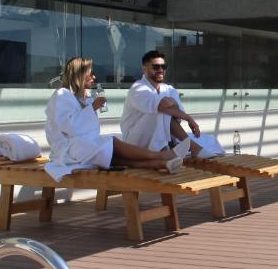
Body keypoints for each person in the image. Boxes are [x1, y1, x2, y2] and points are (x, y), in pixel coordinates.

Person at [44, 56, 185, 182]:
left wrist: (90, 106)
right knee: (112, 142)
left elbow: (87, 128)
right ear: (80, 75)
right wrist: (92, 108)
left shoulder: (83, 98)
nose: (94, 77)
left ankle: (163, 164)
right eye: (91, 74)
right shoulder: (62, 95)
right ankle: (162, 156)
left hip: (80, 147)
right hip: (66, 149)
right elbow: (69, 126)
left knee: (119, 159)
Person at [120, 50, 215, 158]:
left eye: (163, 66)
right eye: (156, 67)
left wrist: (172, 105)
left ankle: (168, 148)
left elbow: (178, 114)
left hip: (156, 138)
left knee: (165, 111)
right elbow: (162, 106)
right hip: (134, 142)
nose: (161, 70)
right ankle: (193, 147)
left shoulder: (169, 89)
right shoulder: (138, 88)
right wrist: (188, 118)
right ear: (144, 69)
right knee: (160, 111)